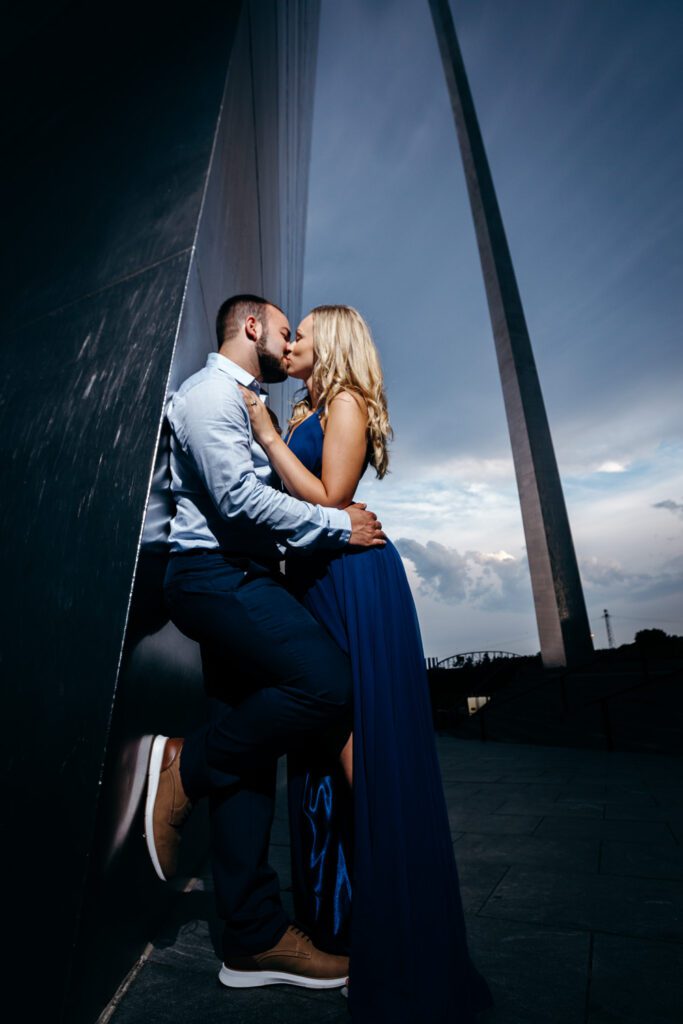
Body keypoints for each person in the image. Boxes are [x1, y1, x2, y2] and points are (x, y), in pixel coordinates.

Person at [240, 304, 494, 1023]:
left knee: (364, 764)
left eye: (301, 335)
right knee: (326, 757)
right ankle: (347, 927)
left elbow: (331, 499)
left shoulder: (344, 402)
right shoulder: (303, 410)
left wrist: (264, 434)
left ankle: (402, 944)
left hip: (352, 586)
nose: (290, 344)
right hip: (314, 583)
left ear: (332, 344)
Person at [143, 294, 387, 991]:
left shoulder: (252, 405)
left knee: (247, 763)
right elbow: (240, 503)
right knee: (327, 685)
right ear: (252, 325)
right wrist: (340, 527)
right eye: (284, 330)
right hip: (214, 579)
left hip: (244, 577)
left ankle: (252, 938)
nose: (287, 345)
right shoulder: (206, 397)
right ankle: (184, 767)